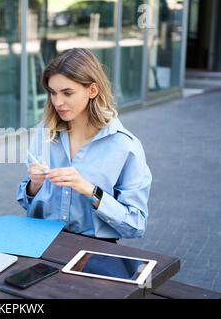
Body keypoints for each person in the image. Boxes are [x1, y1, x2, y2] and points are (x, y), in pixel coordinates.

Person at [16, 48, 152, 242]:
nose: (58, 102)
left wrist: (90, 190)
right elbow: (25, 201)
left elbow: (136, 225)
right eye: (53, 93)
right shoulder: (44, 134)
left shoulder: (124, 146)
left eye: (67, 93)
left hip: (94, 250)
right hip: (40, 242)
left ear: (92, 90)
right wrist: (33, 186)